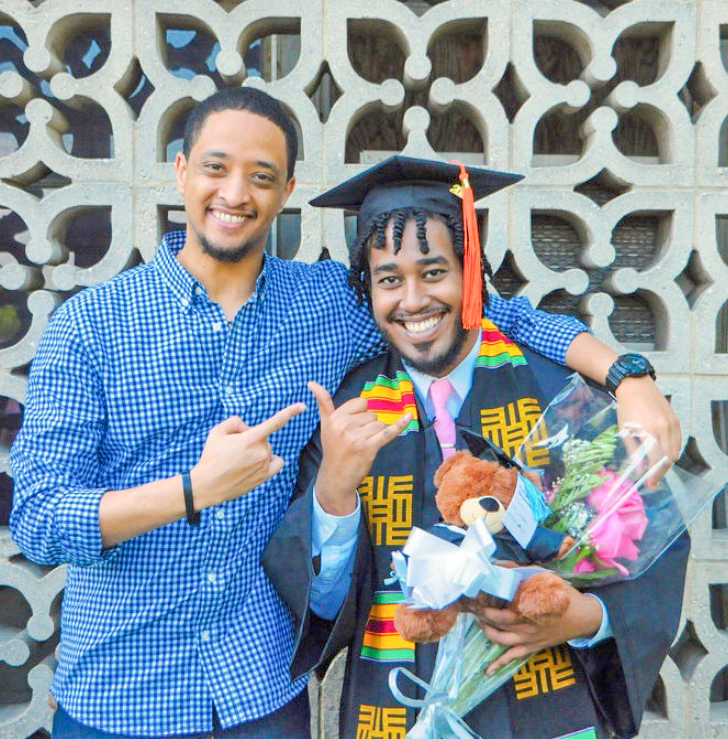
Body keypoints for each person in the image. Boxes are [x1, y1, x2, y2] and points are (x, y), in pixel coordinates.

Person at [9, 87, 676, 739]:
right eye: (216, 167)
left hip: (260, 697)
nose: (236, 193)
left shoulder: (330, 303)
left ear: (287, 190)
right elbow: (38, 523)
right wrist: (193, 491)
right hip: (123, 693)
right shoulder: (89, 327)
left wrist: (628, 376)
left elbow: (489, 311)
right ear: (181, 170)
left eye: (260, 176)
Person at [263, 157, 689, 739]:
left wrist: (582, 617)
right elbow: (323, 604)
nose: (413, 300)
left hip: (543, 701)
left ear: (471, 274)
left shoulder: (558, 395)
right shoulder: (350, 414)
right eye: (389, 279)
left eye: (434, 272)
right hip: (397, 704)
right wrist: (334, 490)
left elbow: (652, 554)